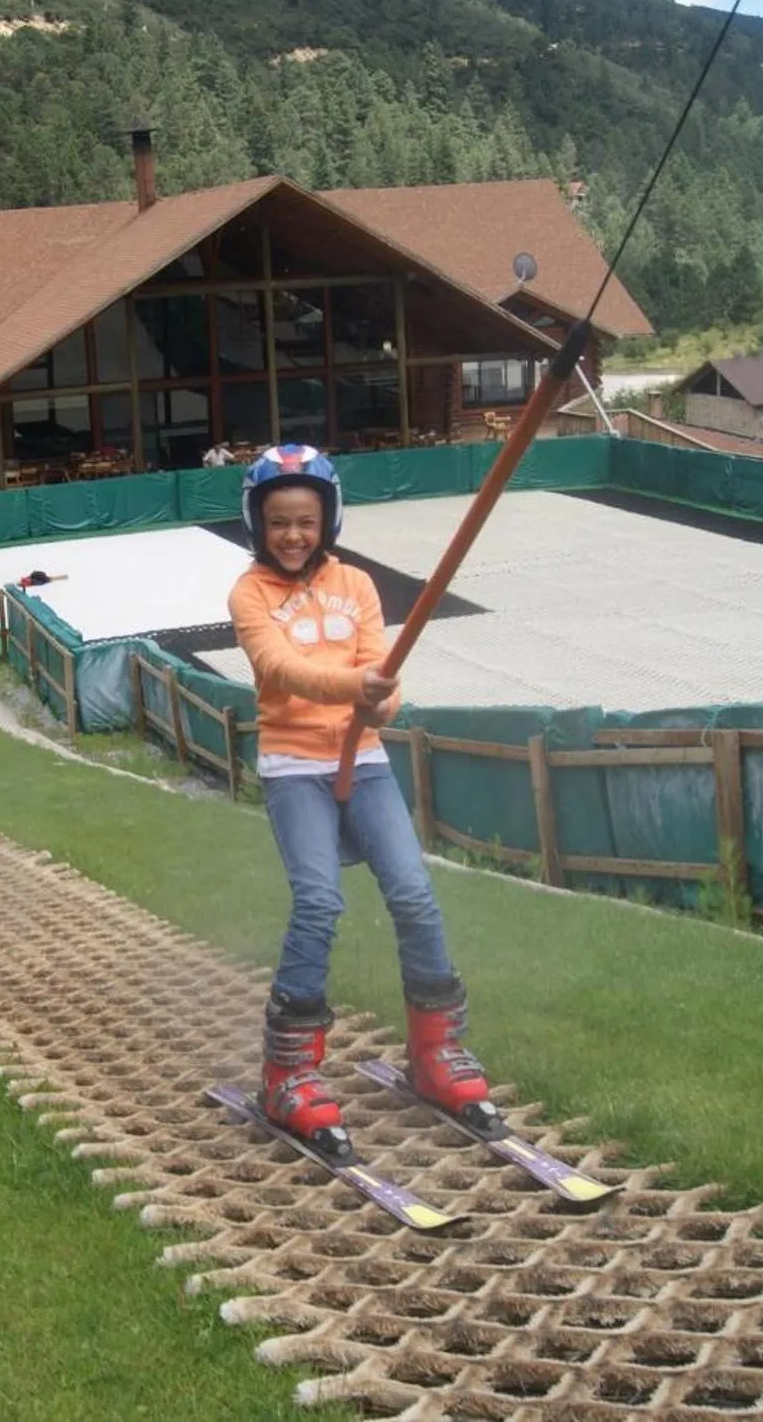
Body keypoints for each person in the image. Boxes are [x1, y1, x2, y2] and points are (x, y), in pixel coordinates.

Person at [228, 444, 489, 1160]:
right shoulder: (248, 593)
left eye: (304, 521)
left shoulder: (358, 585)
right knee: (318, 900)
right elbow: (279, 668)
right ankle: (288, 1070)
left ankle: (437, 1051)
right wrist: (355, 691)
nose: (291, 535)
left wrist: (381, 704)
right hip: (292, 767)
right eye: (277, 521)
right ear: (257, 523)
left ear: (328, 519)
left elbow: (384, 675)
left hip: (362, 759)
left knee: (412, 890)